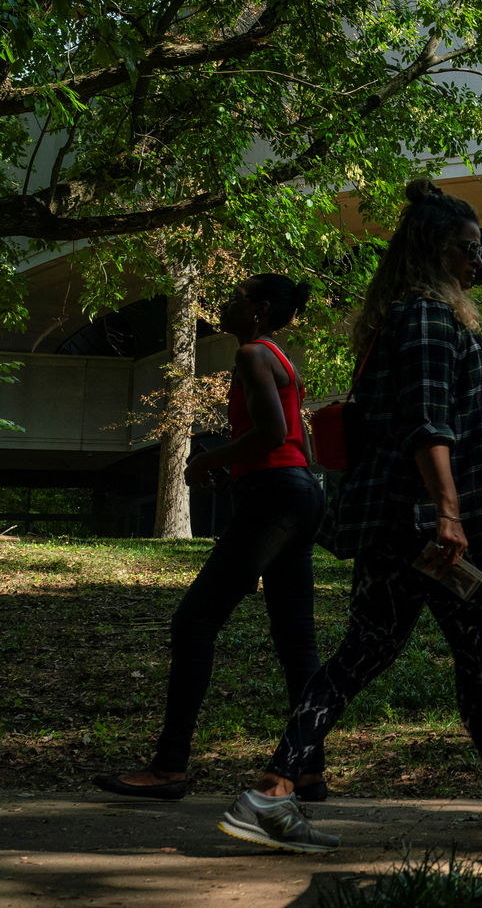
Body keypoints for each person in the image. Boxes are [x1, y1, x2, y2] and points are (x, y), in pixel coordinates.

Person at [218, 180, 482, 854]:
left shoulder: (407, 318)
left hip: (404, 525)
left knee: (361, 659)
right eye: (466, 250)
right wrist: (449, 516)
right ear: (432, 252)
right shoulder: (425, 319)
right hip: (430, 530)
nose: (477, 263)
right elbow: (429, 425)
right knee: (473, 663)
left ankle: (272, 793)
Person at [95, 276, 326, 802]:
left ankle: (169, 767)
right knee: (297, 640)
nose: (224, 303)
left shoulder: (251, 355)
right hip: (298, 492)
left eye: (237, 296)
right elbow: (297, 439)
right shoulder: (280, 357)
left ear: (259, 309)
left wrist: (206, 460)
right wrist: (245, 472)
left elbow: (270, 432)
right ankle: (309, 770)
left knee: (195, 621)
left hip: (274, 497)